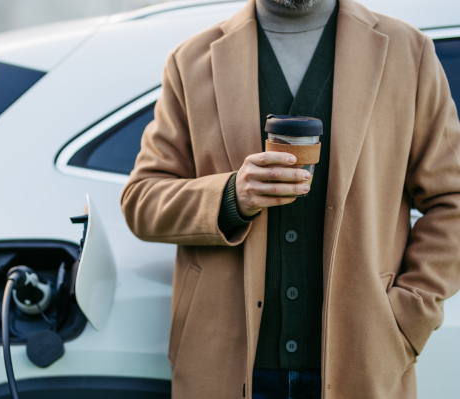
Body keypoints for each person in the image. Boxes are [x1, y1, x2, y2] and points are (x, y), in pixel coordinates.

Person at [120, 0, 460, 397]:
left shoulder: (408, 51)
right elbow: (141, 201)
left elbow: (452, 199)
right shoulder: (191, 60)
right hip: (223, 366)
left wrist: (408, 316)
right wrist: (231, 196)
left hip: (363, 362)